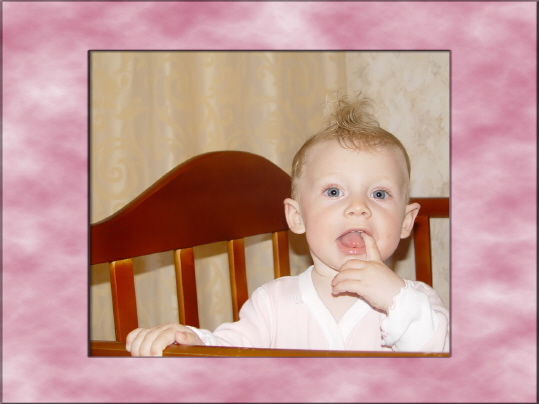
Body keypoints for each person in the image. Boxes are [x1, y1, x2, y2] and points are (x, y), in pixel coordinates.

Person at [126, 94, 450, 356]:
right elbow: (231, 351)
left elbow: (441, 361)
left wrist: (395, 298)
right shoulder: (273, 302)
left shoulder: (417, 303)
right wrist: (191, 342)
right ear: (296, 217)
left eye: (379, 194)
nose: (358, 207)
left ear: (406, 222)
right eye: (334, 192)